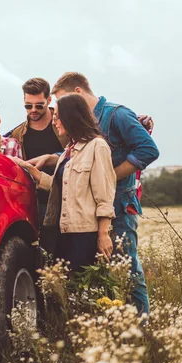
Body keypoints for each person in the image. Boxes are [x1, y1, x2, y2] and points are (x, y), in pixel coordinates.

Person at [34, 72, 159, 315]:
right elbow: (84, 158)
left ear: (77, 93)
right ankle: (112, 322)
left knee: (128, 269)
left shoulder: (116, 114)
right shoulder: (83, 127)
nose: (58, 111)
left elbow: (148, 150)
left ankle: (141, 327)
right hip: (91, 211)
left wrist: (108, 176)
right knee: (101, 274)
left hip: (118, 205)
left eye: (61, 101)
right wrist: (53, 159)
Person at [12, 93, 116, 272]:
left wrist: (103, 234)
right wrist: (35, 174)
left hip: (85, 235)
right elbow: (64, 187)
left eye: (58, 117)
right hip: (63, 232)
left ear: (71, 117)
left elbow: (104, 196)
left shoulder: (97, 147)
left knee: (83, 290)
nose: (54, 121)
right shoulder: (70, 150)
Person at [6, 78, 69, 223]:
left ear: (49, 100)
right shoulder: (17, 134)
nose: (33, 110)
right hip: (35, 203)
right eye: (28, 106)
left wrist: (51, 158)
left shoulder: (64, 125)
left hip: (65, 199)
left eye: (39, 106)